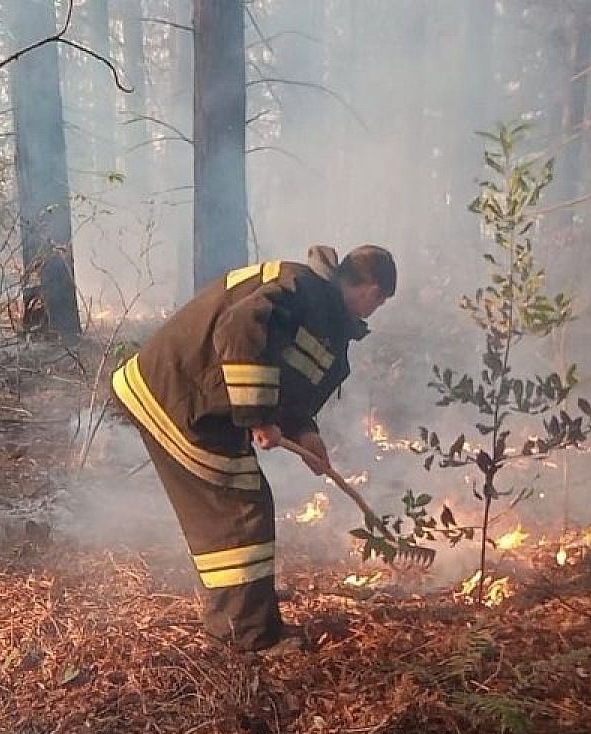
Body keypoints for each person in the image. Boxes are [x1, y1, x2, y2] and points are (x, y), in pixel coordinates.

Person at [110, 244, 397, 654]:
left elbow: (286, 378)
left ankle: (245, 612)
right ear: (370, 290)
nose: (375, 310)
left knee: (245, 504)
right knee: (241, 511)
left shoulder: (320, 311)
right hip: (178, 396)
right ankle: (246, 634)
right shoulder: (303, 288)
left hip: (193, 398)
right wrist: (259, 415)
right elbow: (240, 328)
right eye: (379, 301)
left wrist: (305, 432)